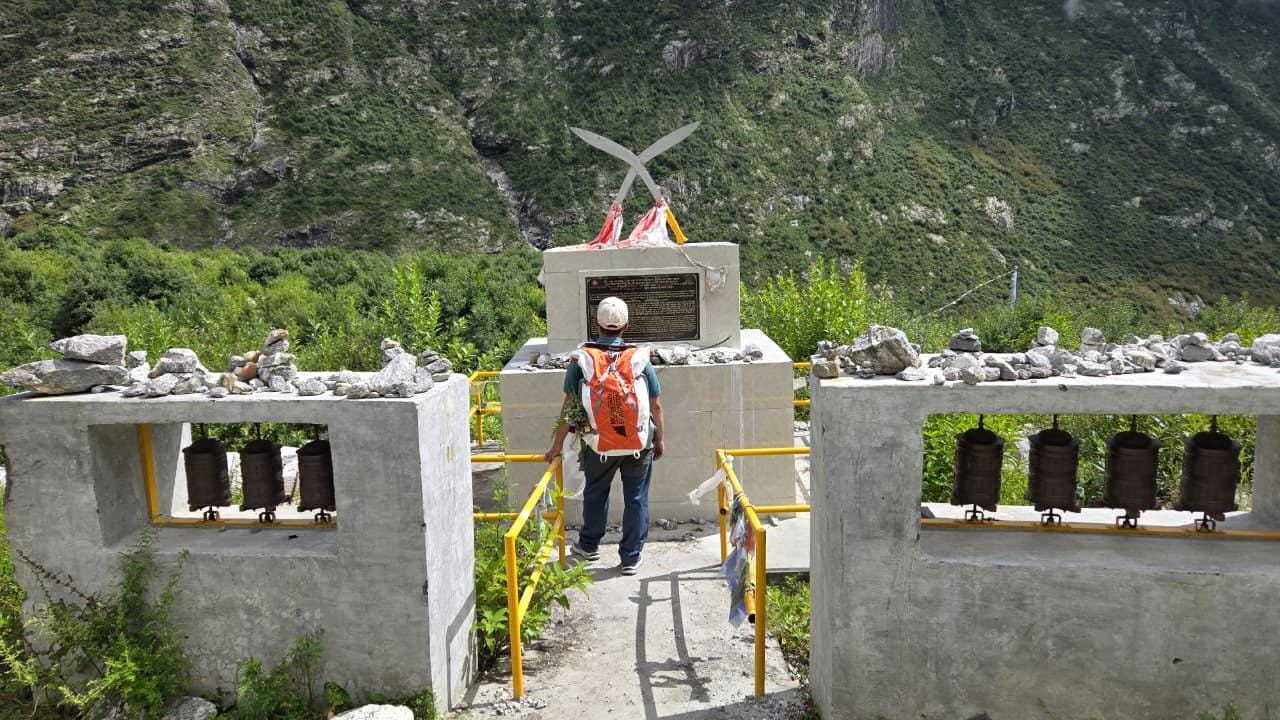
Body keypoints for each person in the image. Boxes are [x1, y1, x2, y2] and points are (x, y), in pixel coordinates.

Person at [544, 296, 665, 576]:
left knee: (596, 492)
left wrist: (556, 444)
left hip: (598, 443)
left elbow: (570, 406)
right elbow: (656, 403)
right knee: (636, 498)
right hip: (638, 444)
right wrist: (659, 439)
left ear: (597, 324)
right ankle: (631, 557)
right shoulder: (638, 359)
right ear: (626, 326)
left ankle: (589, 546)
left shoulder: (583, 360)